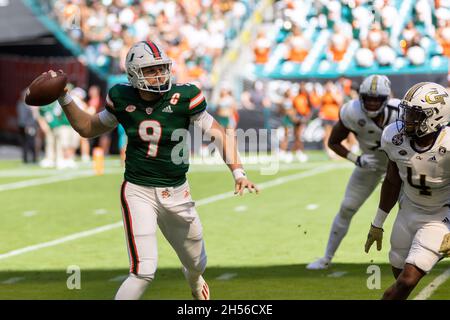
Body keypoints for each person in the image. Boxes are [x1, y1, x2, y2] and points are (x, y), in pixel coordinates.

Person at [50, 41, 259, 300]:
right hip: (138, 190)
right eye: (151, 70)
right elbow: (89, 127)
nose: (159, 74)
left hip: (177, 190)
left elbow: (218, 133)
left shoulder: (184, 96)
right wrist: (64, 97)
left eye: (161, 68)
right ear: (134, 73)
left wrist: (238, 172)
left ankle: (193, 279)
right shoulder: (121, 96)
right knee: (142, 271)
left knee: (197, 263)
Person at [365, 82, 450, 299]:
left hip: (440, 216)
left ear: (437, 116)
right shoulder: (394, 136)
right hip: (408, 211)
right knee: (399, 273)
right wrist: (377, 224)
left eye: (416, 115)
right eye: (408, 112)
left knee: (406, 281)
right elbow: (392, 181)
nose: (407, 120)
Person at [307, 75, 399, 270]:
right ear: (360, 97)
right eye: (368, 98)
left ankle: (414, 259)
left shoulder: (400, 111)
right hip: (370, 164)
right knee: (347, 207)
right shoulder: (352, 111)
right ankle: (326, 258)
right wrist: (356, 159)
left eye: (377, 99)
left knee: (411, 211)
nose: (372, 103)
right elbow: (333, 142)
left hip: (400, 168)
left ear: (386, 99)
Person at [17, 89, 39, 164]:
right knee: (26, 143)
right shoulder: (21, 104)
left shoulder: (31, 105)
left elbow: (34, 117)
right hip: (24, 126)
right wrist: (27, 125)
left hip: (30, 126)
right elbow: (22, 116)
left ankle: (33, 158)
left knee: (31, 143)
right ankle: (26, 159)